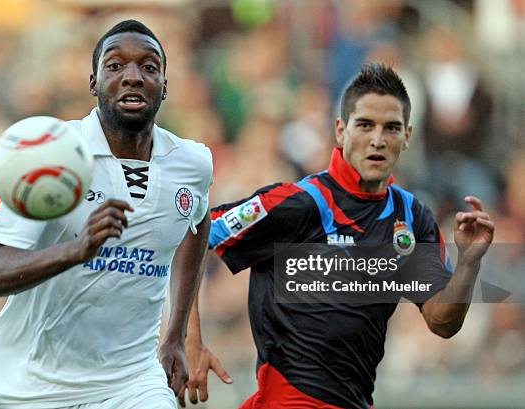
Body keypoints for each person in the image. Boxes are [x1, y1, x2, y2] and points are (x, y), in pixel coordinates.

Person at [189, 63, 494, 409]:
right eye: (365, 125)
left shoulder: (411, 217)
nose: (378, 139)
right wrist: (190, 340)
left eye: (391, 128)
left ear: (407, 136)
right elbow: (193, 233)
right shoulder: (299, 203)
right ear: (340, 130)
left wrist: (469, 261)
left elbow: (442, 322)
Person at [0, 19, 214, 409]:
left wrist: (178, 333)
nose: (133, 77)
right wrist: (78, 250)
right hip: (26, 385)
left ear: (165, 86)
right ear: (93, 83)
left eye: (149, 67)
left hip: (131, 381)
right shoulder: (48, 156)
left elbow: (198, 220)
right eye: (115, 65)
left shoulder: (192, 163)